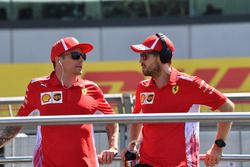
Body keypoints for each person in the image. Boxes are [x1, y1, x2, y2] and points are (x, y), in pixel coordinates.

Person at [0, 37, 119, 167]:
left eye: (83, 56)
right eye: (75, 55)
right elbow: (17, 124)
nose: (81, 59)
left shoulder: (92, 89)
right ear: (58, 60)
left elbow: (112, 121)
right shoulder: (37, 87)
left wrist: (113, 147)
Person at [121, 33, 234, 167]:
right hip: (147, 164)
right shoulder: (143, 87)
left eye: (145, 56)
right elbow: (136, 120)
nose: (140, 61)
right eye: (140, 56)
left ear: (163, 56)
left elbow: (227, 107)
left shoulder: (190, 84)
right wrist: (133, 144)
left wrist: (218, 146)